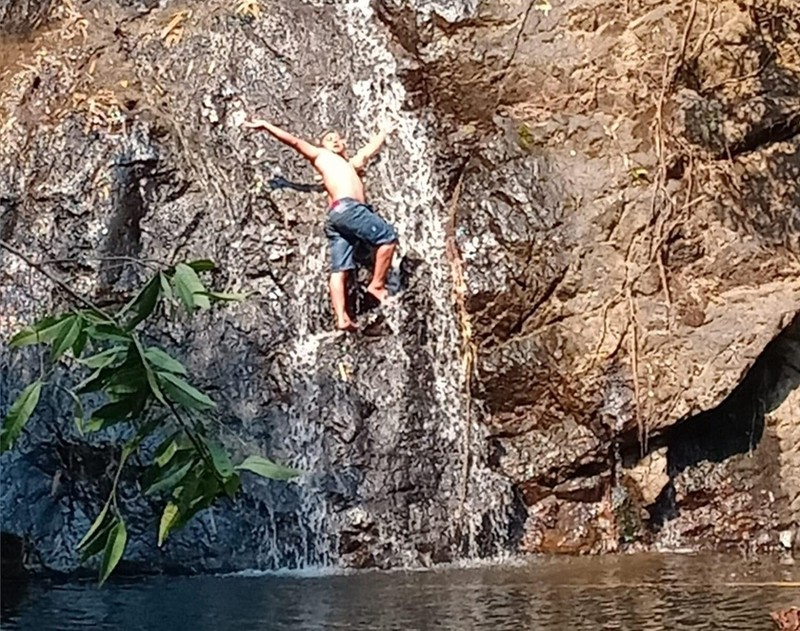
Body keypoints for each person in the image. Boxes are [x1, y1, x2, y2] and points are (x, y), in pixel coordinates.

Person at [243, 118, 398, 332]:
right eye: (329, 139)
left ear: (344, 144)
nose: (334, 141)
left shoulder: (351, 164)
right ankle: (377, 285)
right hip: (349, 209)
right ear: (322, 145)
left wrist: (384, 131)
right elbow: (295, 142)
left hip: (336, 218)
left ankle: (342, 317)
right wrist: (267, 126)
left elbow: (368, 150)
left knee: (339, 269)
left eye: (337, 138)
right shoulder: (322, 156)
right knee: (387, 238)